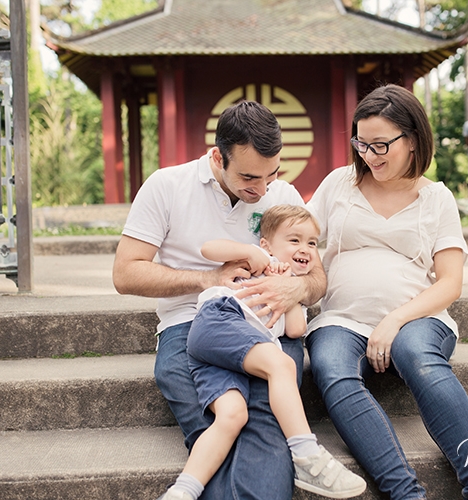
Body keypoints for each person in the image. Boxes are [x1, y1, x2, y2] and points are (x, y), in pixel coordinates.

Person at [112, 101, 327, 500]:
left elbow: (316, 275)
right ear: (217, 157)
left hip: (266, 328)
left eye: (272, 174)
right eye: (249, 177)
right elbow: (125, 273)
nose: (262, 189)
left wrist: (294, 289)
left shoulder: (282, 194)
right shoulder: (167, 185)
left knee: (268, 431)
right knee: (219, 426)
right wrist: (210, 278)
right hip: (189, 326)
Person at [305, 84, 468, 499]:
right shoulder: (339, 184)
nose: (369, 155)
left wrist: (394, 320)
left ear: (412, 140)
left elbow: (450, 282)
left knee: (419, 358)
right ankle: (405, 492)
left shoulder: (436, 198)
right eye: (361, 143)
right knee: (330, 368)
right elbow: (296, 237)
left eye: (381, 145)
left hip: (417, 319)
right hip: (341, 319)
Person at [160, 205, 366, 500]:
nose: (305, 248)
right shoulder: (258, 263)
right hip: (219, 321)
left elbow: (295, 330)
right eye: (294, 240)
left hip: (224, 356)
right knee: (281, 364)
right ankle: (306, 454)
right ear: (267, 244)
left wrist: (292, 290)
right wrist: (251, 253)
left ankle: (183, 491)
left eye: (311, 243)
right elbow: (209, 248)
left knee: (231, 416)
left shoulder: (292, 285)